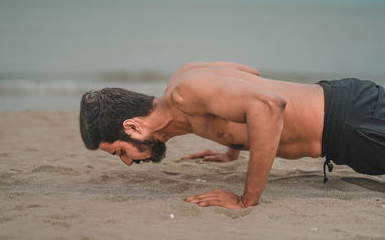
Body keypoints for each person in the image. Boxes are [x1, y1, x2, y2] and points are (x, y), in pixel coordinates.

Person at [79, 61, 385, 209]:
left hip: (352, 125)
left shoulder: (187, 93)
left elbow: (269, 104)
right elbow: (246, 74)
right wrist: (234, 145)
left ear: (132, 127)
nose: (128, 163)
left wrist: (245, 200)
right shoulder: (185, 76)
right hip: (344, 105)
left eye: (120, 151)